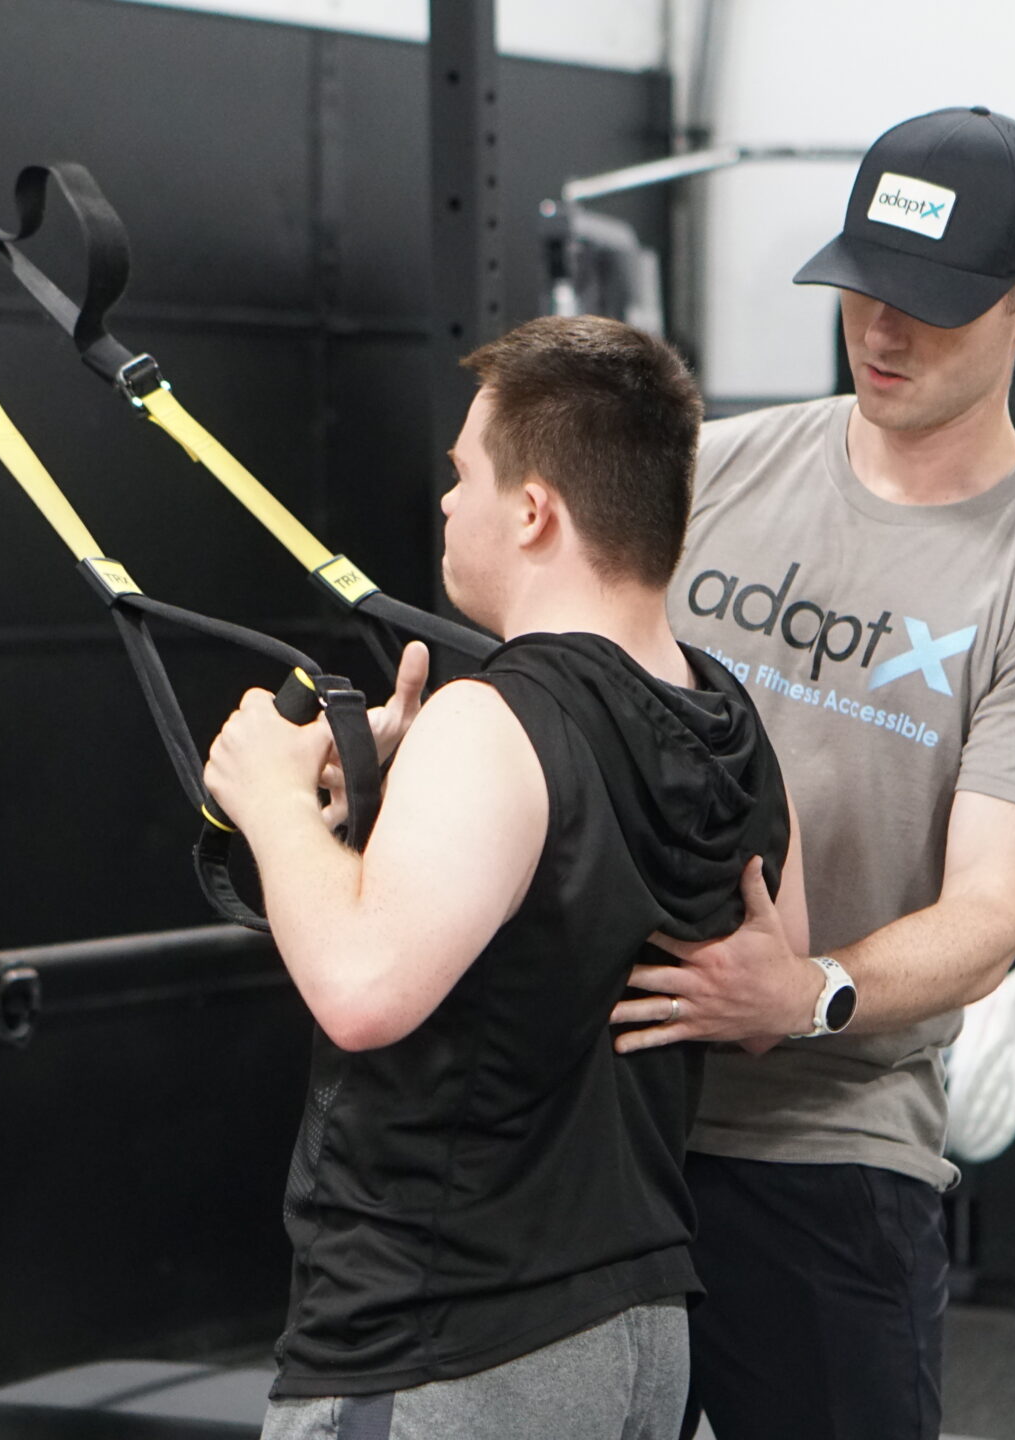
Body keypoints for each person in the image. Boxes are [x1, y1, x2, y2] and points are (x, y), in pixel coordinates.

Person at [604, 106, 1015, 1439]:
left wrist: (811, 992)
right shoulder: (715, 470)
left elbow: (989, 917)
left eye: (932, 306)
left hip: (822, 1137)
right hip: (603, 1099)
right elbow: (554, 688)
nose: (883, 333)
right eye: (865, 293)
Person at [203, 315, 804, 1440]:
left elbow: (363, 989)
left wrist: (271, 799)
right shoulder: (731, 724)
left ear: (533, 511)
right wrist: (390, 811)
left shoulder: (494, 720)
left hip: (449, 1344)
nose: (446, 503)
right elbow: (761, 1001)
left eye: (464, 474)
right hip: (637, 1341)